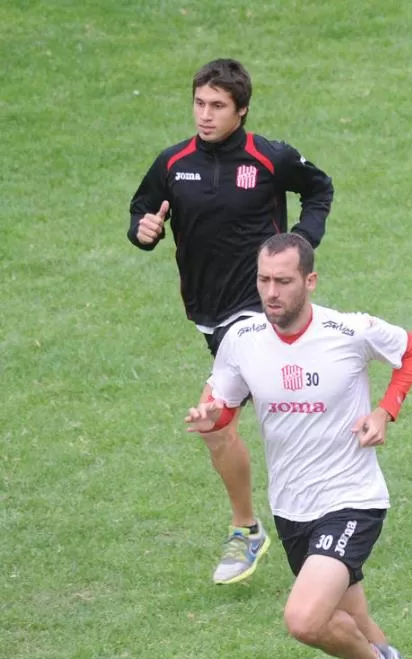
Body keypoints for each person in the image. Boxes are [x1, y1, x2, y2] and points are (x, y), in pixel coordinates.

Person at [185, 233, 412, 659]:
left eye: (283, 281)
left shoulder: (348, 331)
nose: (271, 292)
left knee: (304, 619)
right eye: (263, 280)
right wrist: (213, 417)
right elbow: (225, 404)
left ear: (310, 281)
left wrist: (385, 411)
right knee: (354, 623)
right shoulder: (243, 339)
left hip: (352, 499)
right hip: (292, 509)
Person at [129, 58, 335, 585]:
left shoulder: (270, 158)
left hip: (258, 309)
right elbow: (143, 209)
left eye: (217, 106)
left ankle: (247, 528)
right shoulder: (173, 162)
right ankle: (331, 496)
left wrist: (301, 244)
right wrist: (144, 230)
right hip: (209, 316)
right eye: (199, 103)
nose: (205, 114)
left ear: (241, 111)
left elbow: (319, 188)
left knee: (214, 419)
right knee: (291, 403)